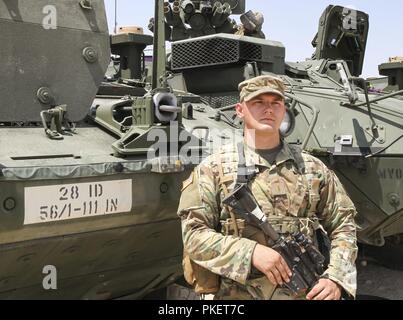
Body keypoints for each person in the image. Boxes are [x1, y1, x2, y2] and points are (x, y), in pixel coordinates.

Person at [177, 75, 358, 300]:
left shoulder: (312, 167)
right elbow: (194, 236)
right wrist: (251, 253)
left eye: (275, 103)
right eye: (258, 103)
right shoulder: (213, 169)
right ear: (240, 110)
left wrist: (335, 278)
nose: (268, 109)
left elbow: (344, 225)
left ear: (284, 111)